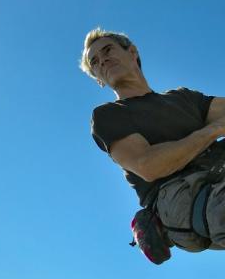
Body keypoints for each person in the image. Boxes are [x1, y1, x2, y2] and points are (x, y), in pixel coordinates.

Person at [80, 28, 225, 253]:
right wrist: (210, 131)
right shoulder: (108, 116)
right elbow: (150, 165)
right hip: (179, 195)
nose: (103, 60)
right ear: (98, 80)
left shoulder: (183, 98)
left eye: (108, 50)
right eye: (95, 62)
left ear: (133, 52)